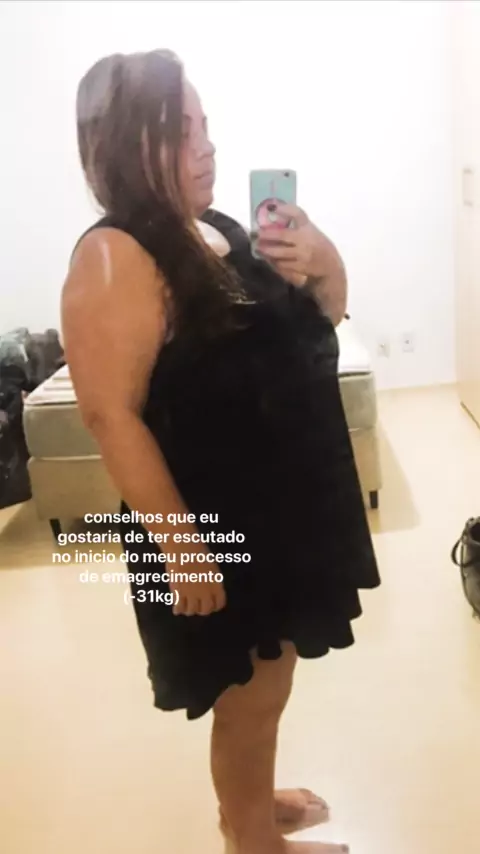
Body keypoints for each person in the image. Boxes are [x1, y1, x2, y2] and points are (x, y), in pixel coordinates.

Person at [61, 49, 380, 854]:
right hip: (210, 523)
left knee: (267, 680)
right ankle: (251, 840)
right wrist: (185, 551)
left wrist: (324, 262)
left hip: (274, 509)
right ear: (125, 144)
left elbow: (316, 326)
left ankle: (251, 801)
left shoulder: (219, 231)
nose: (206, 147)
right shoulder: (115, 256)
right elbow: (109, 416)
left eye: (205, 126)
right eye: (181, 131)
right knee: (250, 692)